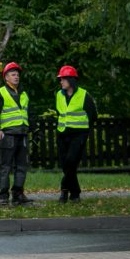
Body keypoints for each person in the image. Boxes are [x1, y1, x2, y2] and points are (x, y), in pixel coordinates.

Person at [0, 61, 34, 205]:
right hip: (7, 135)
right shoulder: (0, 93)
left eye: (17, 75)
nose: (16, 77)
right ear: (6, 78)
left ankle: (18, 194)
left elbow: (28, 113)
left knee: (21, 166)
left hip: (22, 134)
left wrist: (33, 128)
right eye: (13, 75)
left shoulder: (23, 93)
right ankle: (3, 197)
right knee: (6, 167)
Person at [55, 65, 97, 203]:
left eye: (63, 79)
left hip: (78, 135)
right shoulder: (59, 95)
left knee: (71, 161)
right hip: (62, 134)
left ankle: (64, 190)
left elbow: (93, 115)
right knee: (66, 165)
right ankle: (74, 193)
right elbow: (59, 113)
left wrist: (84, 131)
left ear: (71, 80)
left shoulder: (84, 95)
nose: (61, 82)